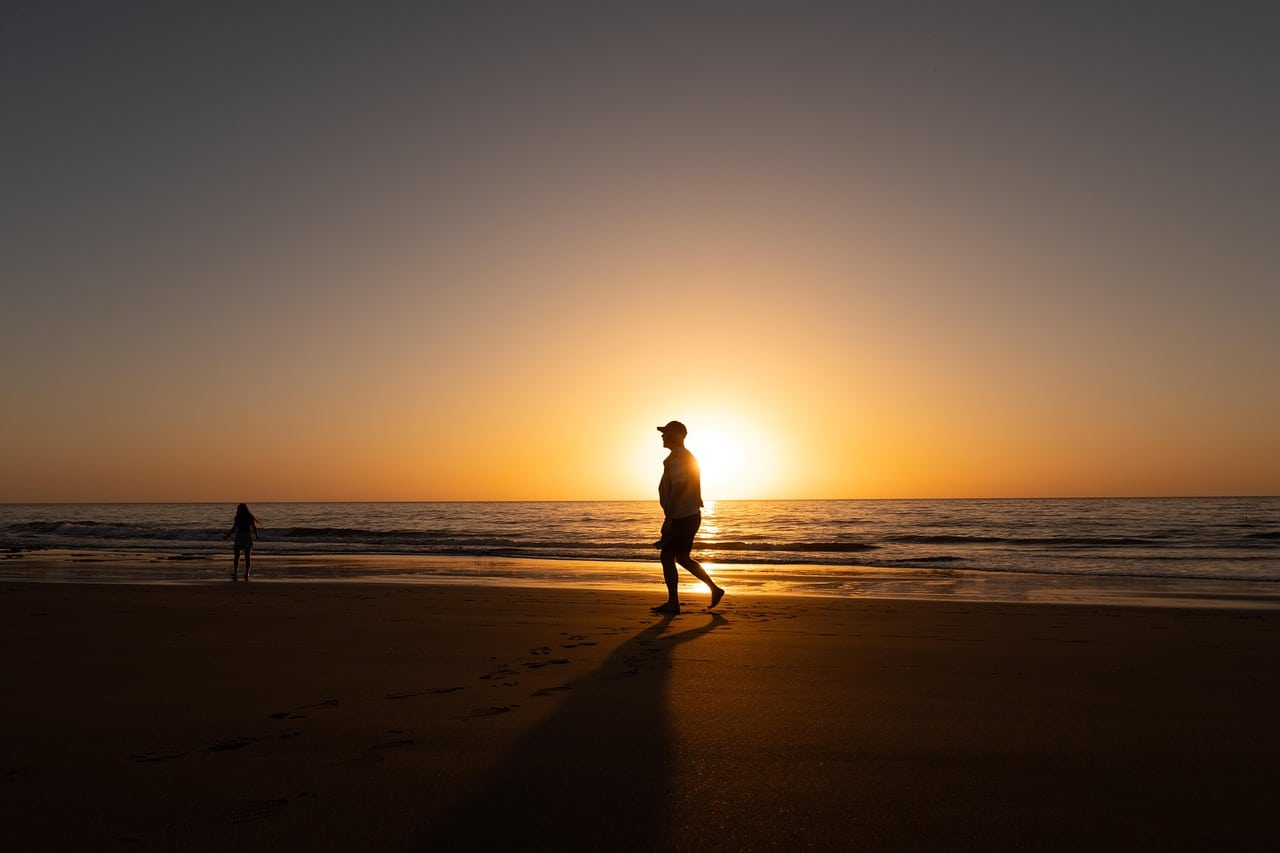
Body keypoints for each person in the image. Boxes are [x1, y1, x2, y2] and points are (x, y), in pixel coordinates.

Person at [652, 420, 724, 615]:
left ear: (676, 435)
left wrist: (670, 521)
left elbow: (680, 489)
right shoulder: (680, 457)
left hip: (682, 516)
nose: (662, 436)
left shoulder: (679, 459)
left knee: (667, 556)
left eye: (666, 433)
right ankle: (715, 589)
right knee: (682, 558)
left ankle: (673, 603)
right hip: (687, 515)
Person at [226, 503, 259, 581]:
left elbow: (254, 527)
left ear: (244, 509)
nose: (238, 510)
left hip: (247, 536)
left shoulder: (249, 517)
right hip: (239, 536)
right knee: (236, 556)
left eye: (240, 509)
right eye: (238, 509)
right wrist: (228, 535)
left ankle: (247, 572)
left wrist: (257, 535)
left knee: (247, 556)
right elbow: (234, 528)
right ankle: (235, 571)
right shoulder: (237, 517)